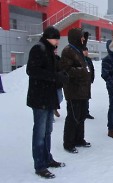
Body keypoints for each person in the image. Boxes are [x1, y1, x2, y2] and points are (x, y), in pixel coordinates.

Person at [26, 26, 66, 179]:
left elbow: (53, 72)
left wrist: (60, 76)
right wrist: (54, 76)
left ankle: (47, 158)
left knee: (47, 131)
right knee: (39, 132)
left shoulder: (50, 51)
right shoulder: (39, 49)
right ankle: (40, 165)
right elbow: (32, 71)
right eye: (56, 39)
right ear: (49, 37)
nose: (57, 42)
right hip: (39, 98)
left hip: (49, 97)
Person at [60, 28, 92, 153]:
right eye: (81, 37)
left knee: (82, 115)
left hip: (83, 90)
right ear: (76, 37)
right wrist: (82, 71)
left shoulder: (78, 51)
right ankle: (68, 143)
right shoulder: (68, 51)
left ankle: (79, 139)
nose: (83, 39)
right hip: (74, 90)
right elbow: (66, 70)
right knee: (73, 117)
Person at [82, 46, 95, 120]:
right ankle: (82, 112)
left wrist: (92, 78)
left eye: (87, 51)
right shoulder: (80, 59)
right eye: (84, 51)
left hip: (88, 81)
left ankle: (86, 112)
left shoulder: (88, 60)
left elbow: (92, 69)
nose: (86, 52)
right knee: (83, 97)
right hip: (82, 82)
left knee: (87, 97)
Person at [54, 48, 63, 118]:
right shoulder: (49, 58)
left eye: (56, 50)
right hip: (51, 83)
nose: (55, 51)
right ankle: (52, 112)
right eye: (54, 50)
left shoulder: (58, 58)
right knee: (52, 99)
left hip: (59, 82)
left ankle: (54, 108)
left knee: (60, 97)